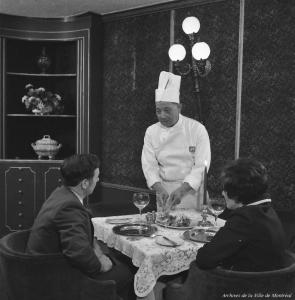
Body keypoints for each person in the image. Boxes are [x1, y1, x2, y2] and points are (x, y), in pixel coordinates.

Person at [26, 153, 136, 300]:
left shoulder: (61, 193)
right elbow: (78, 254)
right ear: (84, 183)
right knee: (127, 273)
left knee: (114, 260)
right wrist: (101, 265)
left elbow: (78, 242)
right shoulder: (69, 207)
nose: (98, 180)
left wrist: (100, 254)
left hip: (45, 264)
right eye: (97, 176)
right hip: (54, 277)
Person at [195, 158, 288, 271]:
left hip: (247, 285)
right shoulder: (266, 210)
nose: (222, 193)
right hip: (275, 281)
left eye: (225, 188)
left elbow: (204, 259)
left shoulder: (245, 219)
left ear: (236, 192)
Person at [141, 71, 211, 210]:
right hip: (164, 193)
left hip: (192, 192)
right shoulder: (151, 131)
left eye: (167, 110)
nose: (162, 115)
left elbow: (201, 167)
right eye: (158, 110)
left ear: (179, 107)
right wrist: (159, 189)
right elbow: (149, 165)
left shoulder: (197, 129)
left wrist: (182, 190)